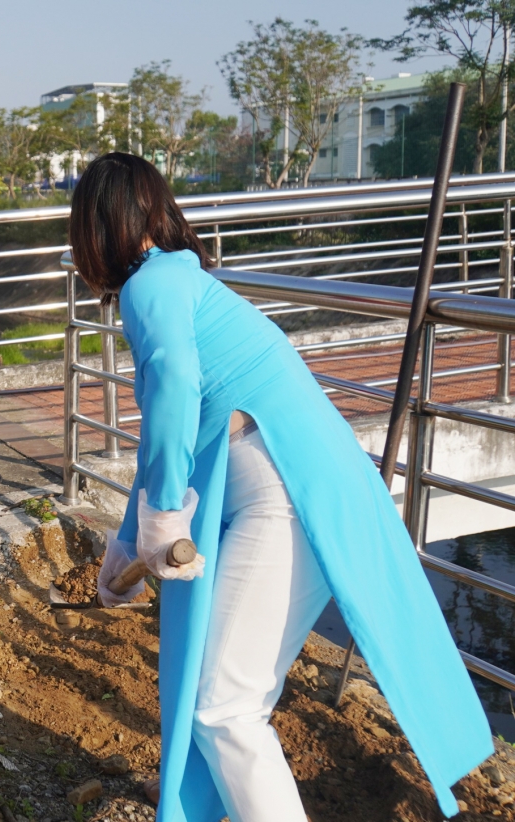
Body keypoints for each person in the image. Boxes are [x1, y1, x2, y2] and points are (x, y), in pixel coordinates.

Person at [71, 152, 491, 822]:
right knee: (235, 701)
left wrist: (158, 524)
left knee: (223, 707)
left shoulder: (152, 289)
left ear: (92, 228)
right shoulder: (180, 280)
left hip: (285, 496)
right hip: (299, 488)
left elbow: (177, 386)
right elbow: (170, 434)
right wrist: (130, 540)